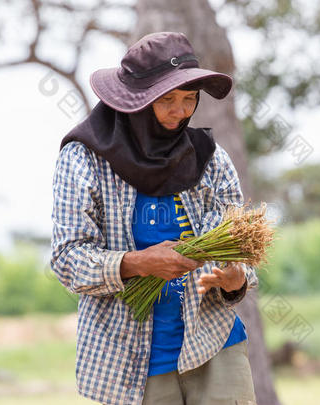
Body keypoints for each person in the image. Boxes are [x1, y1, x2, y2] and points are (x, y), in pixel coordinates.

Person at [50, 31, 258, 405]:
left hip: (214, 346)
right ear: (135, 102)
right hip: (130, 362)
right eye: (167, 101)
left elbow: (239, 251)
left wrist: (234, 279)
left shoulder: (211, 159)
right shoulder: (83, 160)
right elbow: (67, 260)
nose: (180, 112)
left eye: (189, 99)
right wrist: (139, 263)